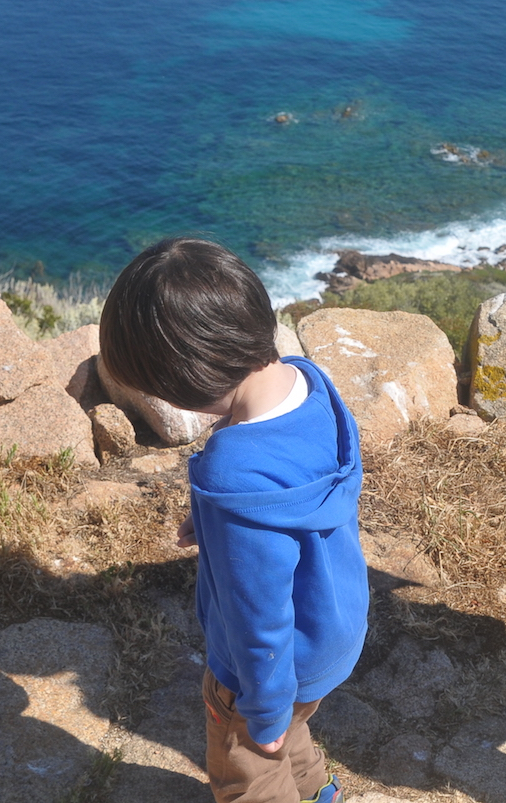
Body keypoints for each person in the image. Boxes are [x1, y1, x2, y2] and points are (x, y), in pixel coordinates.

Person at [99, 238, 368, 803]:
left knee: (248, 770)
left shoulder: (235, 478)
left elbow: (257, 617)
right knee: (295, 731)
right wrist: (217, 520)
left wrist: (261, 708)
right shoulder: (310, 384)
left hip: (263, 670)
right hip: (331, 628)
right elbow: (285, 504)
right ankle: (321, 795)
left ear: (184, 383)